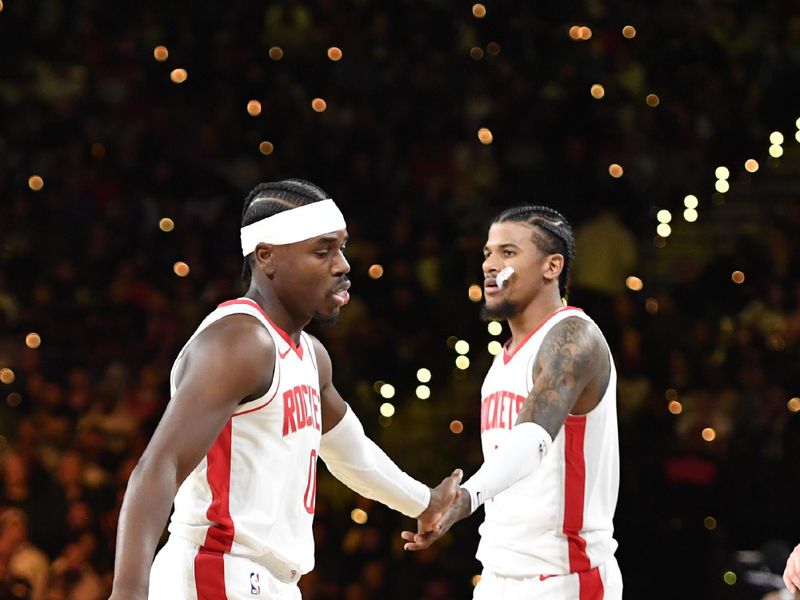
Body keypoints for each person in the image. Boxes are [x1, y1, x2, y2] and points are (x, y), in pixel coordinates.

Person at [109, 179, 462, 600]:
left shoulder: (311, 355)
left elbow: (352, 453)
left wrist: (424, 502)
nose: (343, 264)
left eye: (342, 248)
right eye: (322, 251)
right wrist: (129, 592)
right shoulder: (240, 341)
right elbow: (159, 465)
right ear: (266, 257)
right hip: (215, 572)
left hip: (270, 581)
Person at [403, 205, 622, 599]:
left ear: (551, 266)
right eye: (488, 253)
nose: (490, 264)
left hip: (565, 577)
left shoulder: (574, 338)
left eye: (508, 252)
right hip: (497, 574)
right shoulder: (503, 357)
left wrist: (466, 498)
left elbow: (531, 439)